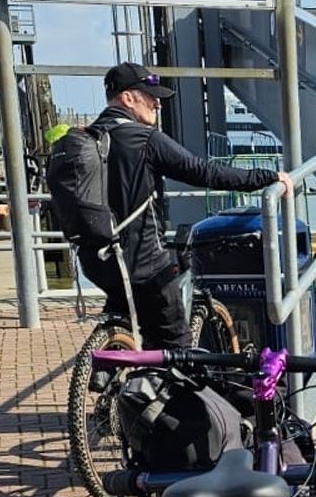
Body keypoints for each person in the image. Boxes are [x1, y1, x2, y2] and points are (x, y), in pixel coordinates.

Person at [80, 63, 292, 349]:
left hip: (97, 260)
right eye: (150, 96)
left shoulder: (85, 139)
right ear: (128, 99)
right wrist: (266, 177)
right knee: (176, 345)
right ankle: (158, 386)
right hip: (142, 262)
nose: (158, 104)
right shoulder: (144, 139)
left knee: (128, 318)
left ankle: (107, 372)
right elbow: (204, 172)